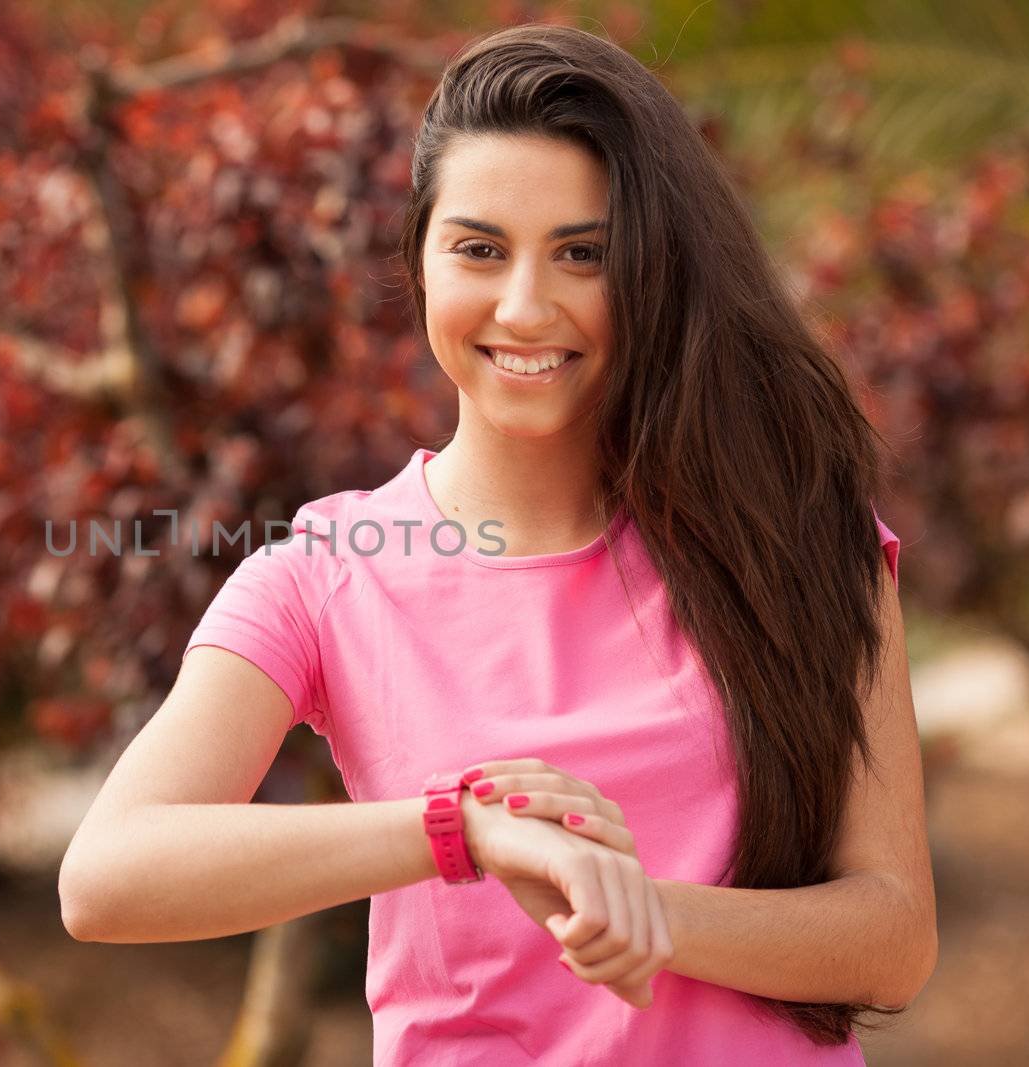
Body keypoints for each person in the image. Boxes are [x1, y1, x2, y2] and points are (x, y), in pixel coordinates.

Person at [59, 22, 936, 1066]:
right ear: (421, 263)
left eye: (582, 253)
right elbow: (106, 874)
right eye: (479, 249)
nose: (524, 307)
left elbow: (892, 935)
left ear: (656, 272)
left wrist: (647, 917)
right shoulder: (324, 573)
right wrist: (457, 829)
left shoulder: (794, 535)